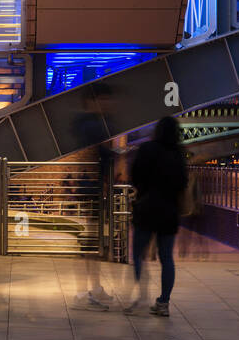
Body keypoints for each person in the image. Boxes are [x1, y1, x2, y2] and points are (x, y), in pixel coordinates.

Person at [125, 116, 188, 317]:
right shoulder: (178, 154)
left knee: (138, 254)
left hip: (147, 208)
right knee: (166, 258)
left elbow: (135, 176)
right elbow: (182, 183)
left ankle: (141, 295)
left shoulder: (146, 149)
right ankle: (163, 303)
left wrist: (144, 190)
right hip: (169, 211)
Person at [71, 85, 115, 308]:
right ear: (93, 101)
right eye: (105, 99)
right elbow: (98, 154)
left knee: (92, 241)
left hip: (90, 189)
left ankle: (92, 289)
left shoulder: (88, 124)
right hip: (91, 190)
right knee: (90, 242)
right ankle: (85, 292)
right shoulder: (92, 125)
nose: (108, 104)